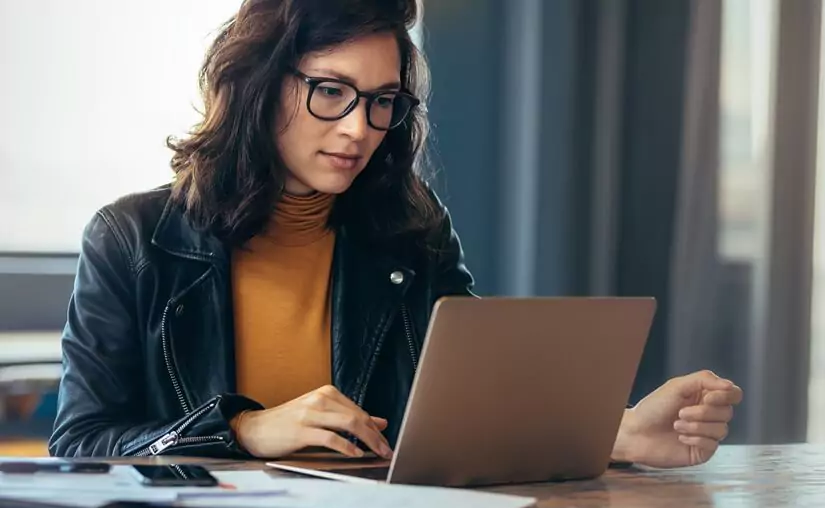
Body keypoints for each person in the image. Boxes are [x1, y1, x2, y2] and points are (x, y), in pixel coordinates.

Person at [48, 0, 742, 469]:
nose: (358, 128)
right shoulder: (132, 238)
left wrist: (616, 432)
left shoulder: (410, 227)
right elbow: (80, 444)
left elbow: (476, 404)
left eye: (383, 101)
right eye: (330, 91)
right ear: (258, 83)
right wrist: (242, 430)